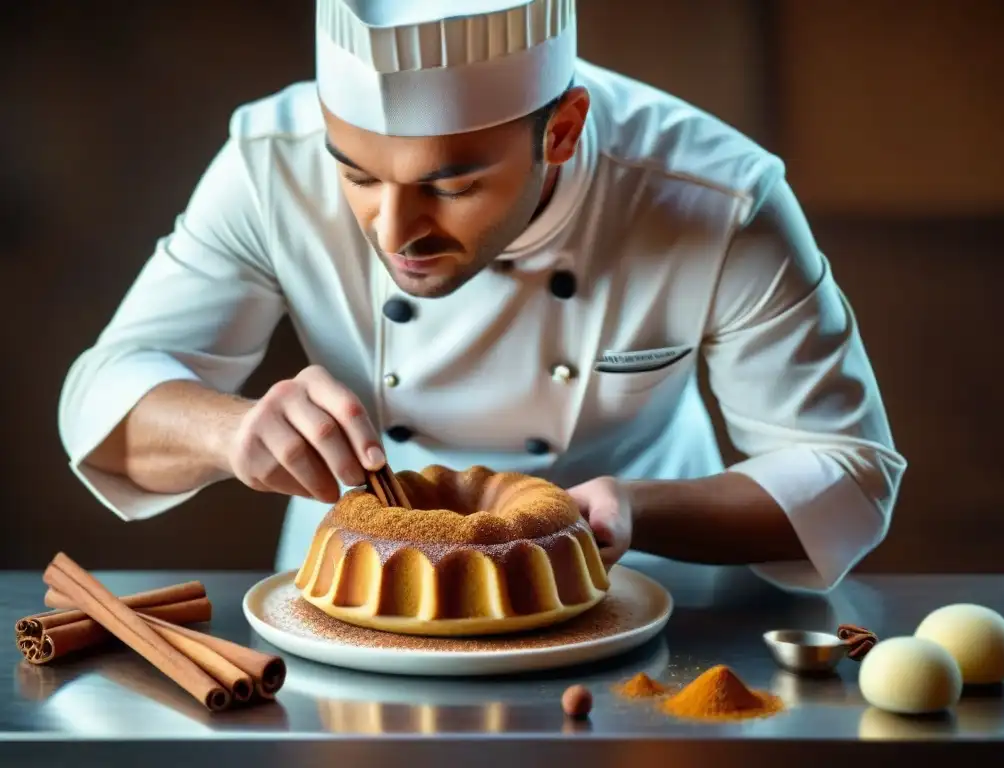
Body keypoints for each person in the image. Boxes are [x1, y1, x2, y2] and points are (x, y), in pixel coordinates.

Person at [58, 0, 906, 594]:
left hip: (645, 596)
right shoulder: (267, 163)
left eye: (452, 186)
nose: (395, 232)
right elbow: (102, 390)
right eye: (356, 174)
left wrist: (634, 511)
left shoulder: (717, 197)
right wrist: (234, 432)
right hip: (360, 598)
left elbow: (848, 471)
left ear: (563, 131)